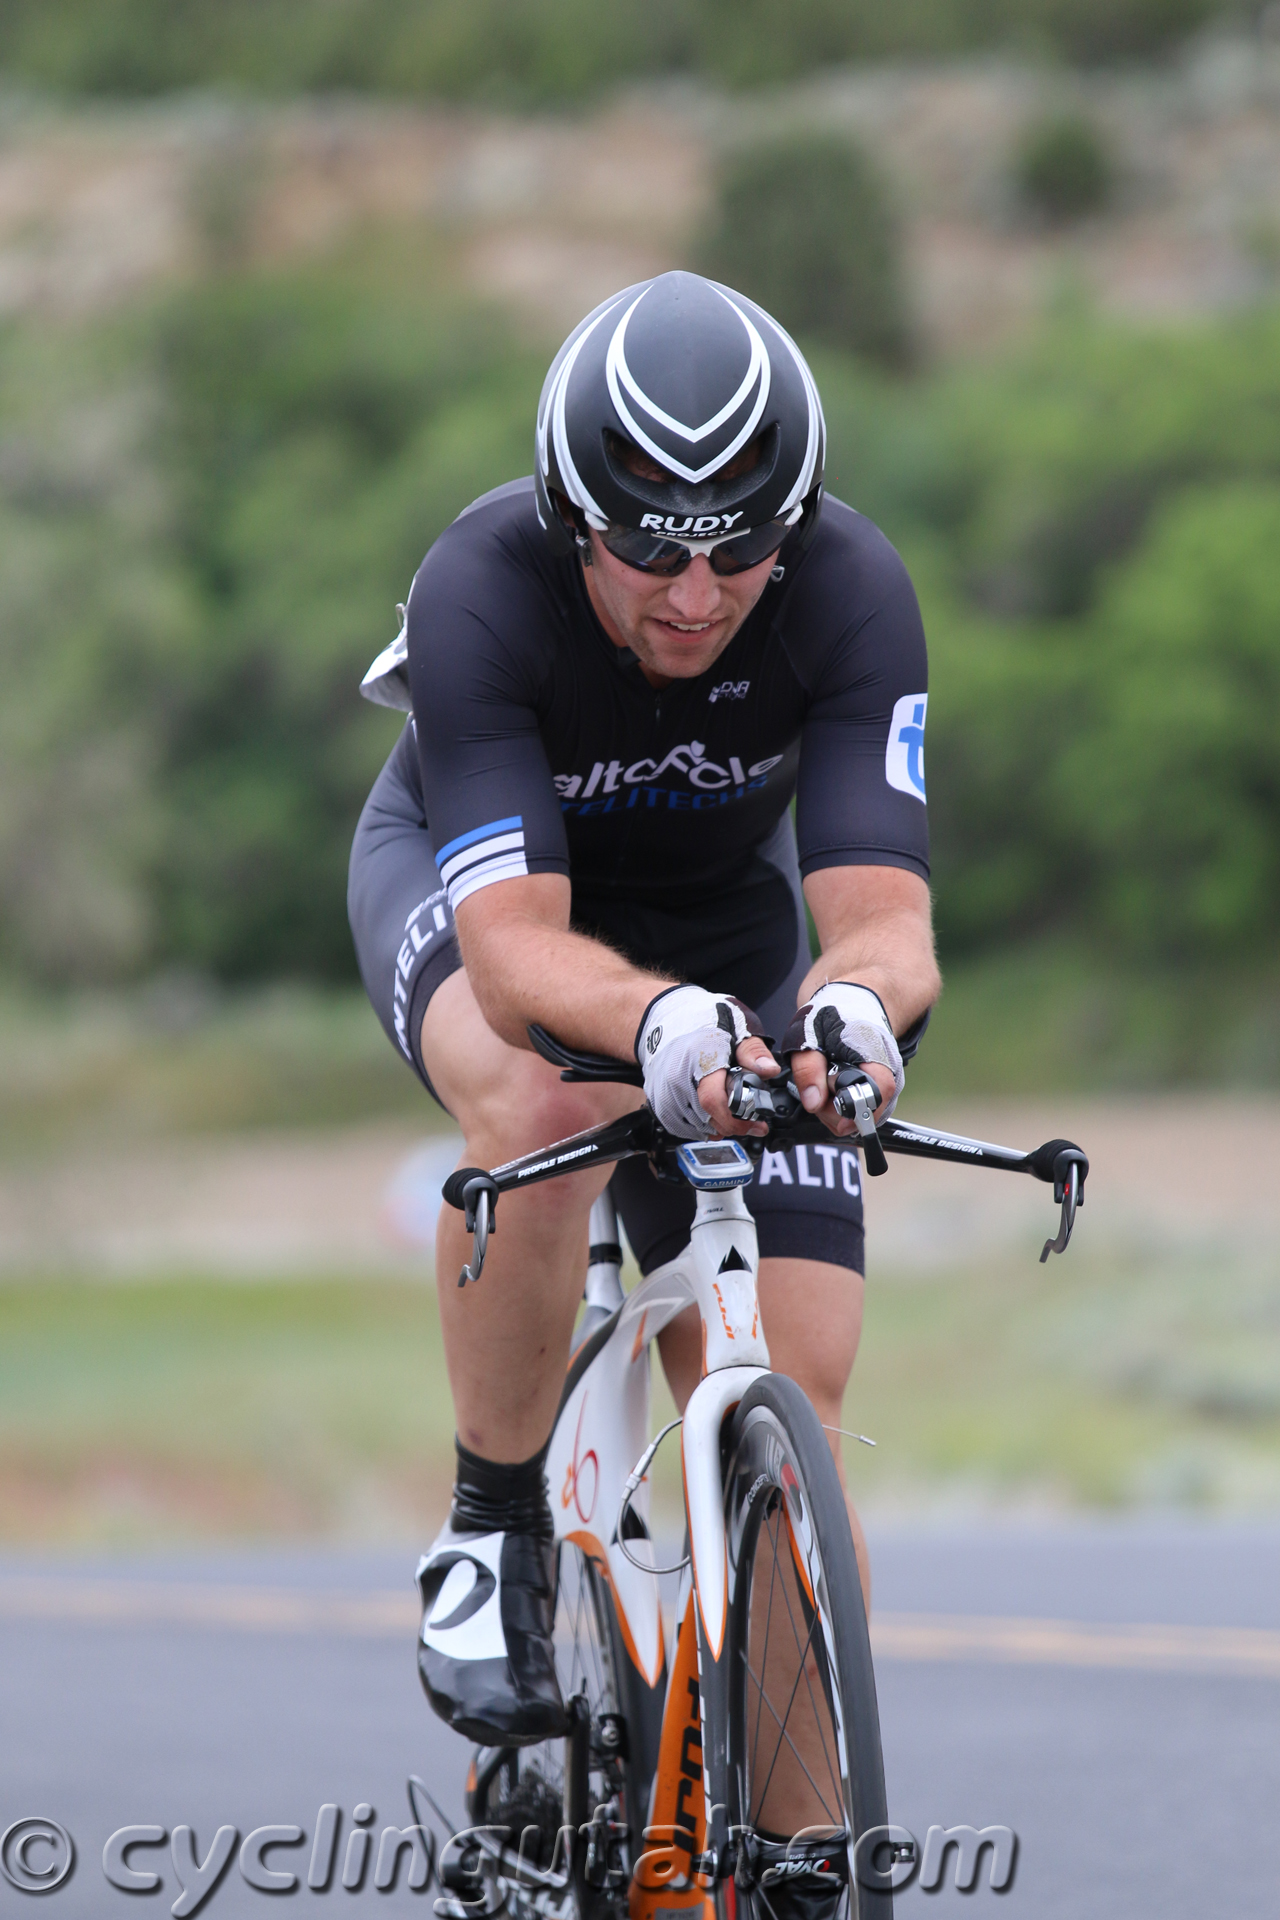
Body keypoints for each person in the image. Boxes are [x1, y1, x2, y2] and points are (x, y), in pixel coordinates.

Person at [348, 271, 940, 1777]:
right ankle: (493, 1535)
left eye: (741, 547)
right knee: (542, 1106)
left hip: (719, 931)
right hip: (487, 897)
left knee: (791, 1394)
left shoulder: (855, 587)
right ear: (570, 516)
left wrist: (856, 1008)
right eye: (647, 549)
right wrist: (663, 1024)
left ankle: (807, 1853)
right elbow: (515, 955)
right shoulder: (480, 586)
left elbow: (880, 914)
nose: (695, 594)